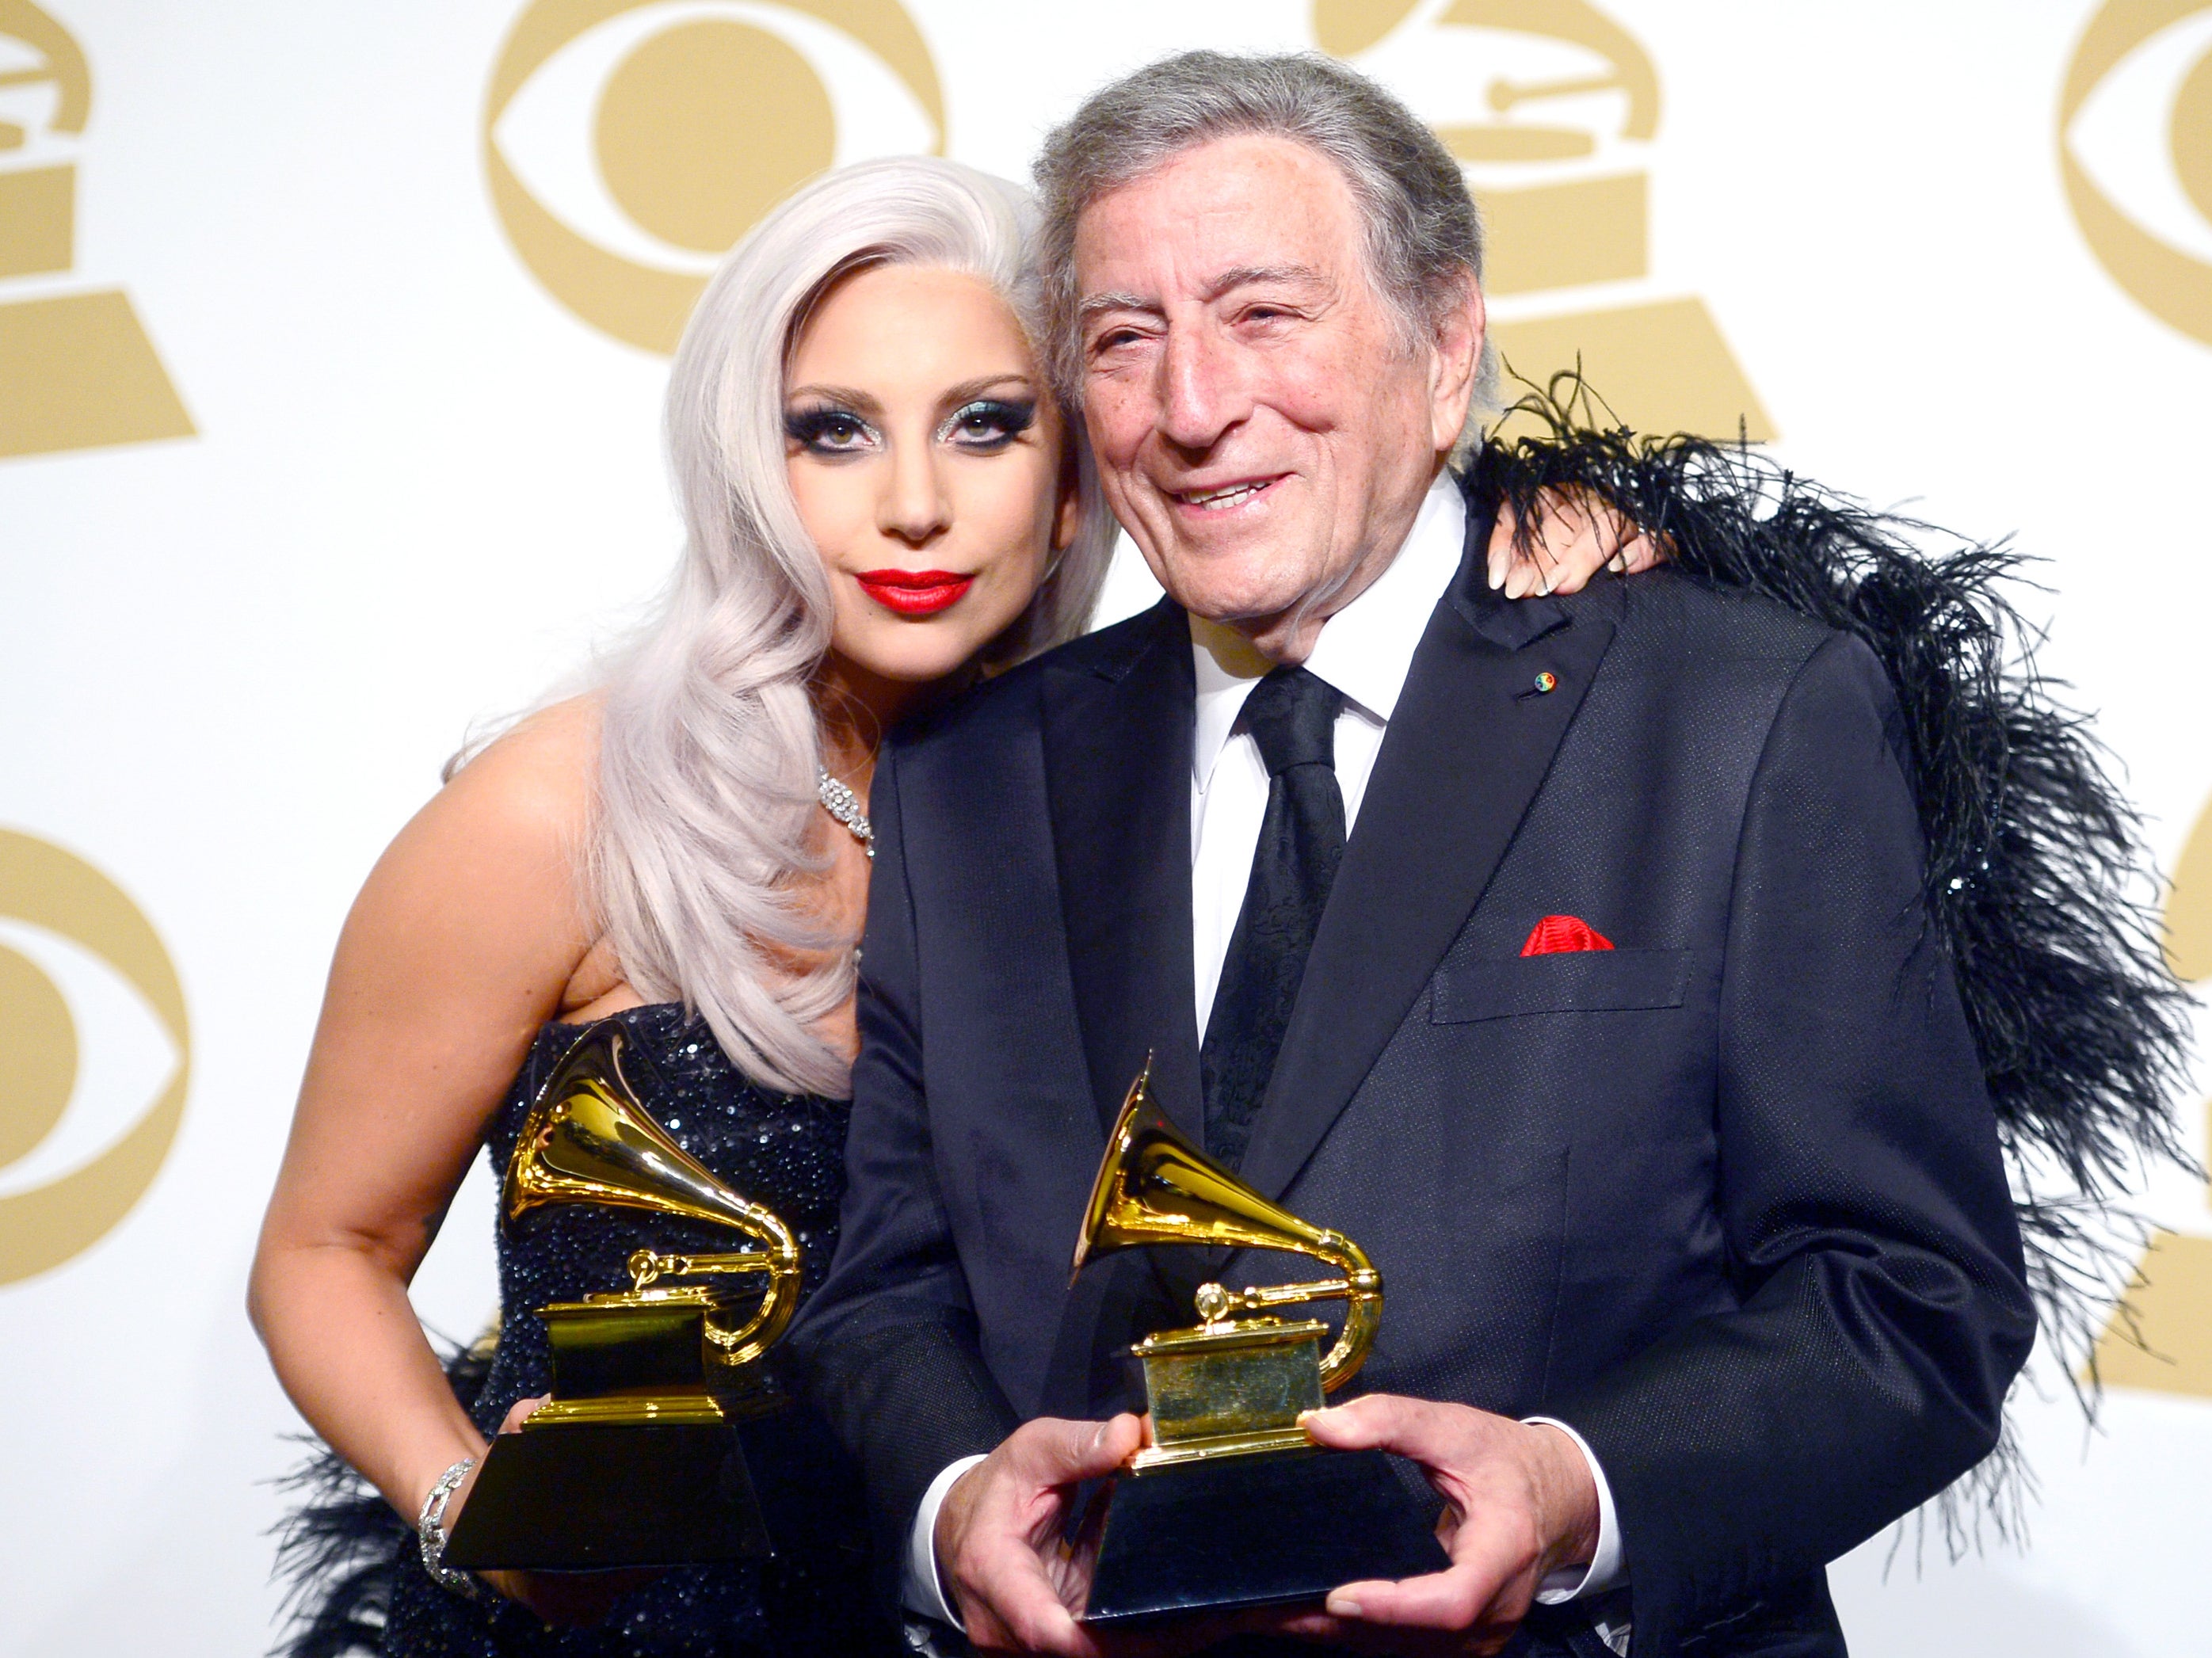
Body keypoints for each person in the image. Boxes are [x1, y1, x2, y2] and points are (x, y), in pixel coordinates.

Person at [249, 153, 1643, 1657]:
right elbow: (322, 1253)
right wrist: (478, 1514)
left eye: (987, 425)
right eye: (831, 433)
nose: (913, 505)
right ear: (746, 470)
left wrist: (1542, 529)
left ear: (1079, 475)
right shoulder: (557, 813)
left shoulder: (1120, 779)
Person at [791, 55, 2088, 1658]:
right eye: (1127, 340)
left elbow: (1911, 1300)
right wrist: (950, 1505)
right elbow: (882, 1297)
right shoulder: (968, 777)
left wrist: (1572, 1491)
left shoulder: (1742, 719)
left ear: (1446, 339)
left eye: (1267, 314)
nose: (1194, 407)